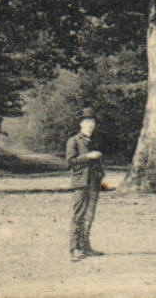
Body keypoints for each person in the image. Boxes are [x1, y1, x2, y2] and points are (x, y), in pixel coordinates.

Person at [64, 107, 105, 261]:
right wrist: (87, 156)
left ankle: (85, 246)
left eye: (92, 121)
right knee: (78, 216)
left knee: (90, 215)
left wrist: (100, 175)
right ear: (81, 124)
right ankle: (74, 248)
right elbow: (69, 162)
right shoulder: (73, 141)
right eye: (87, 121)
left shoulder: (95, 141)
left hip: (93, 184)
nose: (90, 124)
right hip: (80, 183)